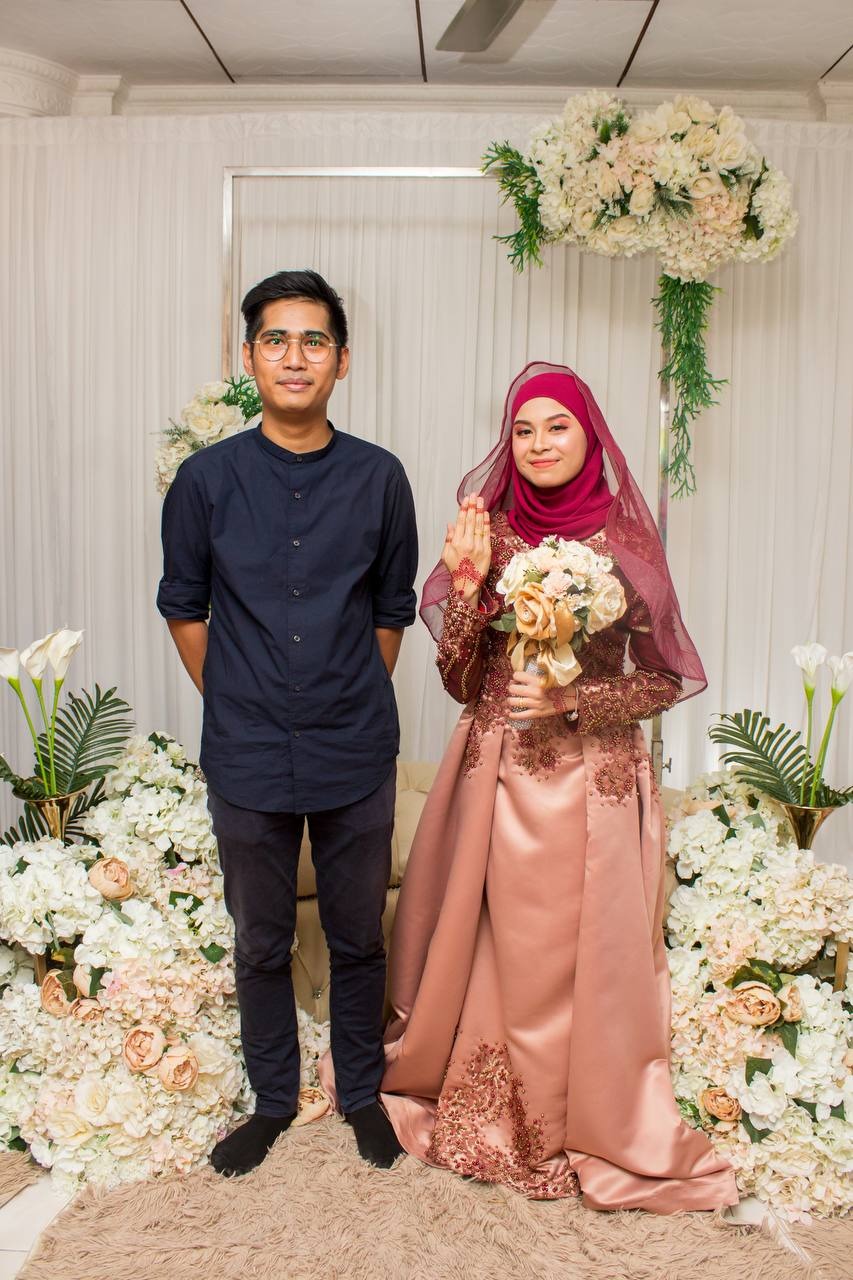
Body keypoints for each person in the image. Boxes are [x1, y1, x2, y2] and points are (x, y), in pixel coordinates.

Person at [379, 362, 739, 1213]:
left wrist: (574, 700)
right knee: (496, 941)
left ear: (589, 437)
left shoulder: (625, 543)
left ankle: (582, 1110)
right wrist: (469, 588)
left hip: (591, 779)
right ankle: (490, 1101)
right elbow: (459, 679)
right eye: (522, 430)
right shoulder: (491, 533)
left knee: (576, 950)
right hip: (495, 773)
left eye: (557, 427)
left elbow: (665, 678)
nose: (538, 444)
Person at [157, 269, 418, 1176]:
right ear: (249, 357)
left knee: (358, 937)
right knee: (261, 940)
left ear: (341, 361)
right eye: (276, 339)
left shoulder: (380, 477)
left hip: (355, 745)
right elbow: (183, 605)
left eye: (314, 340)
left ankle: (360, 1097)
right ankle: (272, 1103)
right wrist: (236, 696)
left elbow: (391, 610)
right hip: (247, 751)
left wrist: (346, 693)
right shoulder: (205, 480)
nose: (294, 356)